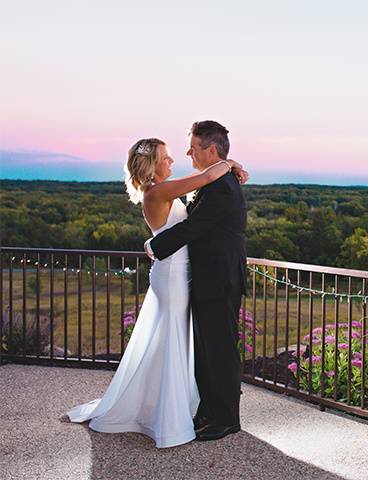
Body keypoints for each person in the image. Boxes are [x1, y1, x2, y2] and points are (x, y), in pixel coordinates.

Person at [67, 135, 248, 448]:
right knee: (172, 341)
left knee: (172, 340)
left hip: (178, 274)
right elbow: (205, 177)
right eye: (166, 157)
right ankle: (168, 415)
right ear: (152, 165)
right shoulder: (160, 190)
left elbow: (202, 185)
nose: (173, 161)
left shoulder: (160, 188)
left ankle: (172, 406)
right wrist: (229, 163)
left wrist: (228, 164)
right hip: (174, 276)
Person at [145, 120, 248, 442]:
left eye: (193, 146)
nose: (188, 151)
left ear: (211, 150)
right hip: (207, 279)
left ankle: (226, 419)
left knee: (219, 352)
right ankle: (208, 411)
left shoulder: (221, 186)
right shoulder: (217, 179)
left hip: (220, 280)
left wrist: (155, 245)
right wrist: (230, 164)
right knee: (207, 350)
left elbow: (195, 227)